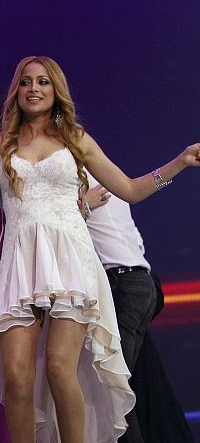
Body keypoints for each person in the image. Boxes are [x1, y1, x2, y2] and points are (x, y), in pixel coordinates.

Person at [0, 55, 200, 443]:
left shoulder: (74, 139)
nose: (34, 88)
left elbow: (130, 189)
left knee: (60, 367)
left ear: (56, 91)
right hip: (20, 265)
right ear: (16, 91)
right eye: (26, 82)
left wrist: (179, 163)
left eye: (43, 82)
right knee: (16, 377)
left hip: (70, 263)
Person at [84, 173, 192, 443]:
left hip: (124, 286)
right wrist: (181, 163)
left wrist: (82, 205)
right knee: (130, 384)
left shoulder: (82, 176)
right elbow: (137, 191)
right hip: (140, 283)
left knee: (112, 389)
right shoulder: (107, 174)